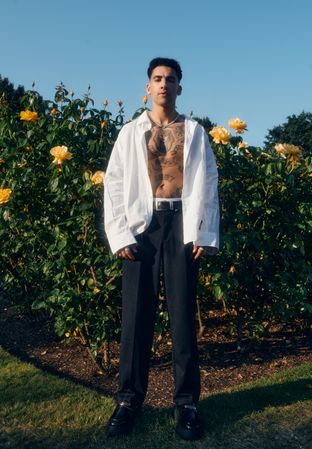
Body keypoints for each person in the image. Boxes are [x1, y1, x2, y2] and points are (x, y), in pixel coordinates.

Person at [103, 57, 219, 440]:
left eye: (170, 79)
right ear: (148, 87)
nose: (164, 84)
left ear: (180, 87)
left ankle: (186, 404)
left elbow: (208, 181)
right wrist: (119, 235)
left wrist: (203, 232)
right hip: (143, 226)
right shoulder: (130, 132)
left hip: (182, 224)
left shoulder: (195, 131)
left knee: (183, 316)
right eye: (157, 79)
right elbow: (115, 184)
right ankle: (128, 401)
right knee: (136, 318)